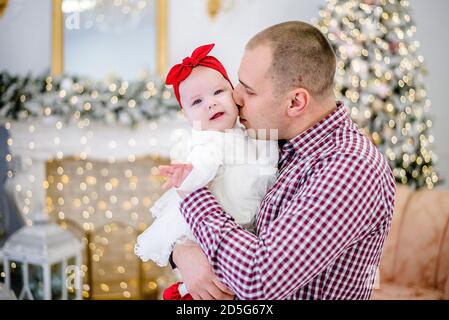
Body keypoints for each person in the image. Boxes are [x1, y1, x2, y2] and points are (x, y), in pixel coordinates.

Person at [170, 21, 396, 300]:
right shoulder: (274, 138)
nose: (235, 96)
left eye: (249, 90)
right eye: (237, 81)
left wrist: (193, 195)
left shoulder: (350, 168)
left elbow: (258, 281)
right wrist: (181, 252)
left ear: (295, 103)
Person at [134, 44, 278, 300]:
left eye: (218, 92)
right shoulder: (207, 141)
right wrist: (190, 173)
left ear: (233, 92)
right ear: (187, 115)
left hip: (241, 230)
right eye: (197, 102)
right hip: (210, 232)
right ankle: (183, 294)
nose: (211, 104)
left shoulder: (245, 132)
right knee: (214, 280)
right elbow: (205, 163)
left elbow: (265, 157)